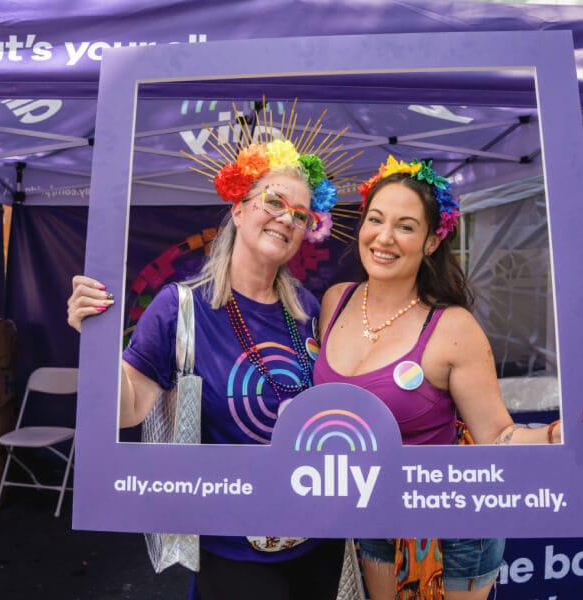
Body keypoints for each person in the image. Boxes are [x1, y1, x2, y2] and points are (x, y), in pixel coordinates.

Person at [66, 104, 361, 600]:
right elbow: (127, 410)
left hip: (317, 534)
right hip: (232, 543)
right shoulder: (180, 308)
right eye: (274, 201)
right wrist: (93, 341)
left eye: (301, 214)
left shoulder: (308, 309)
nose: (286, 219)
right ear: (239, 208)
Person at [313, 155, 583, 600]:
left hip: (450, 530)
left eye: (405, 226)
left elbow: (498, 436)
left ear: (432, 241)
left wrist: (568, 431)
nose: (384, 237)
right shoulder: (335, 302)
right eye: (375, 220)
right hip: (368, 516)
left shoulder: (452, 327)